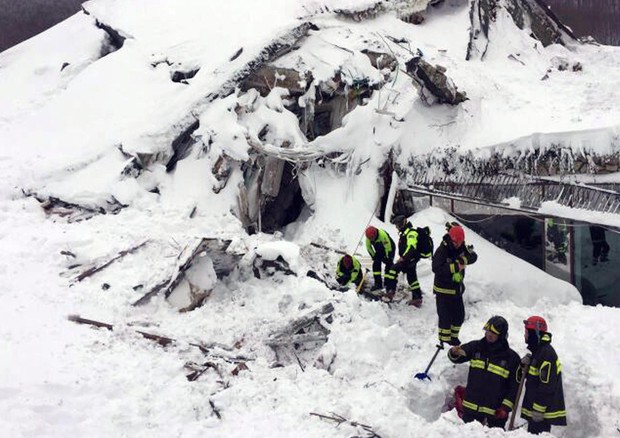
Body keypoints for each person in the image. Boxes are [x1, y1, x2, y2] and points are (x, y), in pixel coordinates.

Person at [448, 316, 521, 429]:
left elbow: (514, 388)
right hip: (471, 409)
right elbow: (456, 357)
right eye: (487, 331)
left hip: (495, 414)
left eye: (493, 333)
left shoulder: (512, 358)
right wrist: (454, 353)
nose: (489, 335)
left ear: (501, 335)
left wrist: (505, 408)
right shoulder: (476, 347)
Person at [432, 222, 477, 345]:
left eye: (460, 242)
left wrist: (464, 259)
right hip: (443, 290)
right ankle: (443, 341)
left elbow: (474, 256)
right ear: (451, 239)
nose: (457, 245)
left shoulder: (462, 247)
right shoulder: (442, 250)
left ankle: (453, 338)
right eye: (455, 242)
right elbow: (436, 268)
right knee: (444, 318)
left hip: (456, 290)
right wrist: (456, 267)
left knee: (459, 316)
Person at [520, 316, 566, 435]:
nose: (524, 335)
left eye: (526, 332)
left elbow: (547, 384)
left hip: (541, 413)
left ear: (534, 333)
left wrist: (539, 409)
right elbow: (534, 379)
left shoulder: (546, 354)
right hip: (536, 411)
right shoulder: (538, 352)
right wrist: (524, 366)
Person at [391, 215, 432, 307]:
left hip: (409, 259)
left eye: (398, 225)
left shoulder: (411, 233)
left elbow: (411, 246)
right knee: (412, 278)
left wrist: (403, 257)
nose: (397, 227)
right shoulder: (405, 232)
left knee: (393, 270)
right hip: (410, 259)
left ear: (403, 223)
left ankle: (390, 292)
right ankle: (417, 298)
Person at [364, 226, 397, 293]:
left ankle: (388, 283)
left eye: (372, 238)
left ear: (375, 234)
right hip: (379, 249)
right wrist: (373, 256)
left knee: (389, 264)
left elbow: (388, 247)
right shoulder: (368, 238)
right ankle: (378, 283)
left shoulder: (382, 235)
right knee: (376, 264)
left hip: (389, 248)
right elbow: (369, 248)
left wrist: (388, 257)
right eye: (370, 239)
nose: (372, 240)